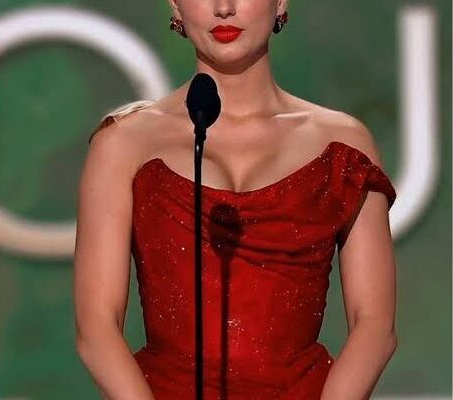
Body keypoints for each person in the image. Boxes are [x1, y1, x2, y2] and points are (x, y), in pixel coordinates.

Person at [74, 1, 398, 399]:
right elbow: (97, 327)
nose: (224, 8)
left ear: (281, 1)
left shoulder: (343, 144)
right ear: (175, 5)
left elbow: (374, 325)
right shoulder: (124, 143)